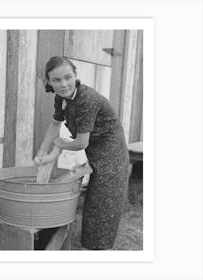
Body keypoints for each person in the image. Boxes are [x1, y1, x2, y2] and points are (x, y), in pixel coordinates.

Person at [34, 56, 129, 250]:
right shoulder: (61, 97)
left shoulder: (86, 99)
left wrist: (56, 149)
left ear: (76, 75)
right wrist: (43, 152)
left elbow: (80, 142)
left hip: (113, 155)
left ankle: (99, 252)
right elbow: (55, 124)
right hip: (96, 152)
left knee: (103, 206)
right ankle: (92, 248)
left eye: (68, 77)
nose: (63, 84)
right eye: (56, 80)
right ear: (49, 81)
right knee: (93, 204)